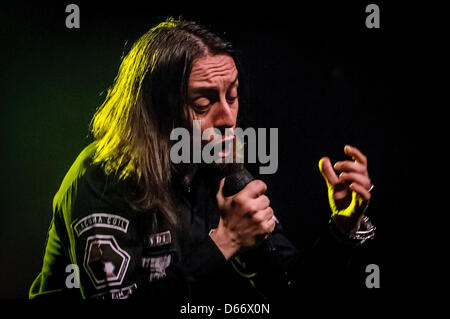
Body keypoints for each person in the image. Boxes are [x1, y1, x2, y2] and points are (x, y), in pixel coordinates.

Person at [29, 18, 375, 301]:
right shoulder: (103, 178)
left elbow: (290, 286)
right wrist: (225, 241)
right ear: (158, 109)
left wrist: (343, 227)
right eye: (203, 103)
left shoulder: (220, 167)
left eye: (233, 96)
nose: (228, 118)